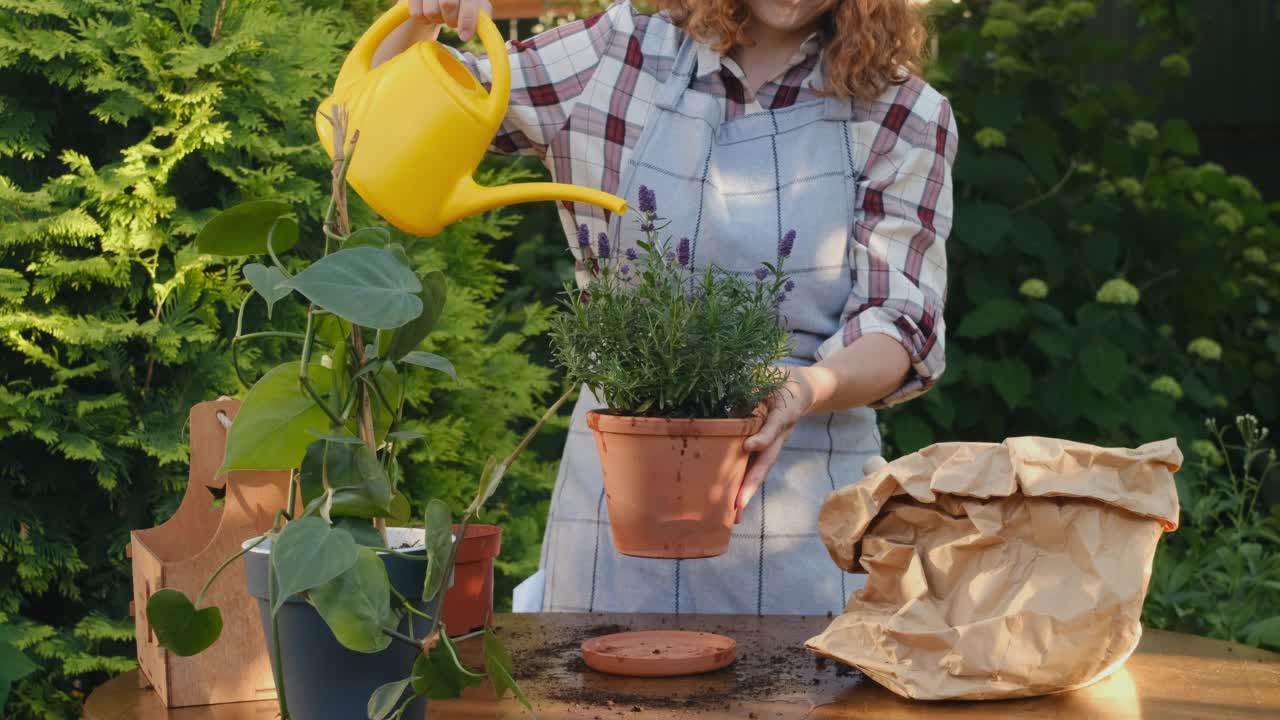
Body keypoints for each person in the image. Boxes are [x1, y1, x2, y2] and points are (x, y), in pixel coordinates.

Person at [374, 0, 956, 615]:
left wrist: (807, 387)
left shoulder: (905, 115)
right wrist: (422, 15)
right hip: (618, 502)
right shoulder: (621, 52)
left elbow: (898, 322)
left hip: (809, 521)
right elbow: (380, 126)